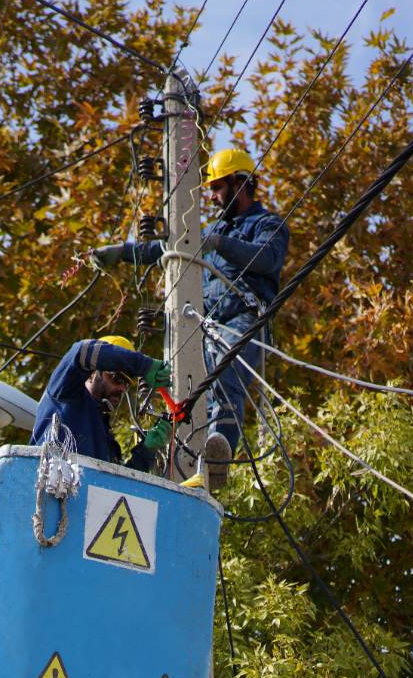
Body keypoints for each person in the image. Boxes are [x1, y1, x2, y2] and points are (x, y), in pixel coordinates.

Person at [89, 148, 289, 489]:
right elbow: (168, 249)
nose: (213, 196)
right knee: (191, 391)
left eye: (218, 187)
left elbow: (267, 258)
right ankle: (191, 464)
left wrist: (220, 243)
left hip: (244, 320)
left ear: (241, 183)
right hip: (205, 324)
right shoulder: (213, 229)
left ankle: (217, 456)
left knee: (224, 375)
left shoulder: (267, 224)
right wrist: (122, 252)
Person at [30, 335, 172, 471]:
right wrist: (144, 365)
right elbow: (81, 351)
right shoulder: (66, 392)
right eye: (117, 378)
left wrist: (146, 452)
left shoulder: (106, 439)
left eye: (126, 383)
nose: (122, 388)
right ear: (92, 373)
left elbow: (114, 485)